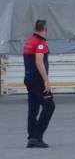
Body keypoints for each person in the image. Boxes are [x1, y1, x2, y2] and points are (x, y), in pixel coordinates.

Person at [23, 19, 55, 148]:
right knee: (49, 106)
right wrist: (46, 80)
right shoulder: (41, 43)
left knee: (33, 108)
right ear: (45, 29)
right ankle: (36, 137)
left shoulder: (29, 41)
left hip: (29, 79)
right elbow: (39, 61)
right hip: (38, 81)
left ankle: (32, 137)